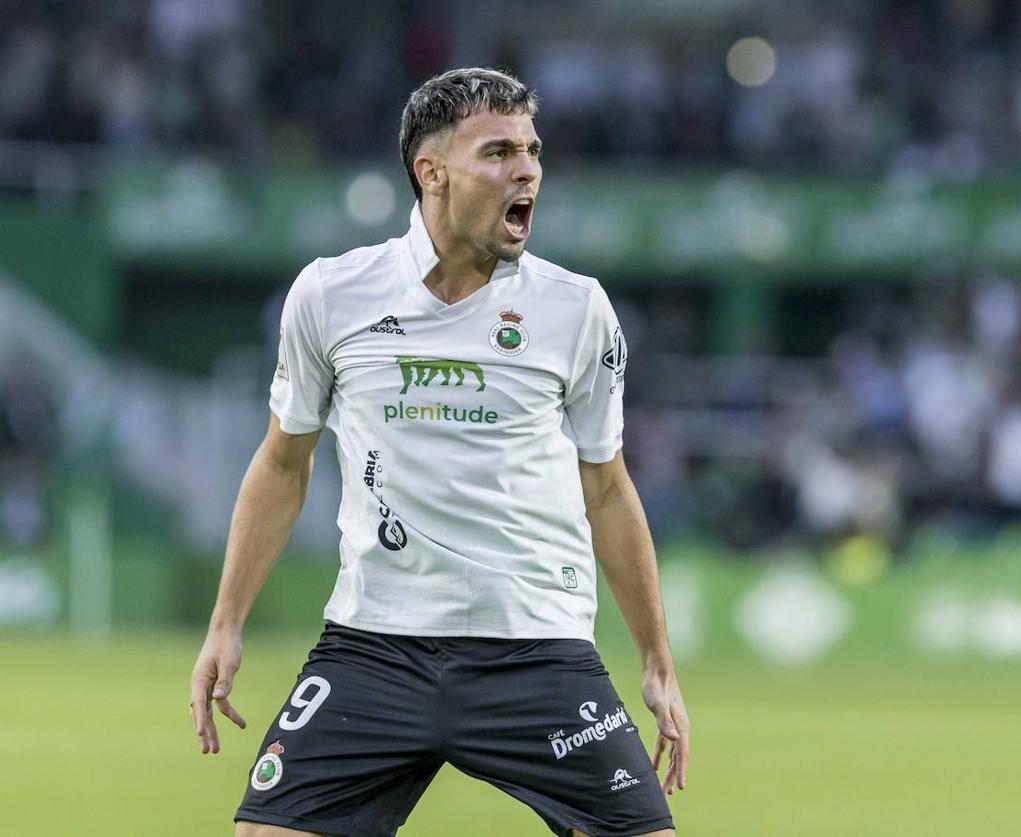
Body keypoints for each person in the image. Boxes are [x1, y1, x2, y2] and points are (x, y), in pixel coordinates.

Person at [188, 67, 688, 837]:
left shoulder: (576, 308)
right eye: (498, 152)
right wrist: (226, 621)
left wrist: (656, 657)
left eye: (532, 149)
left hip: (534, 648)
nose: (526, 170)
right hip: (375, 647)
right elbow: (282, 463)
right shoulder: (332, 295)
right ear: (432, 173)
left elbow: (608, 486)